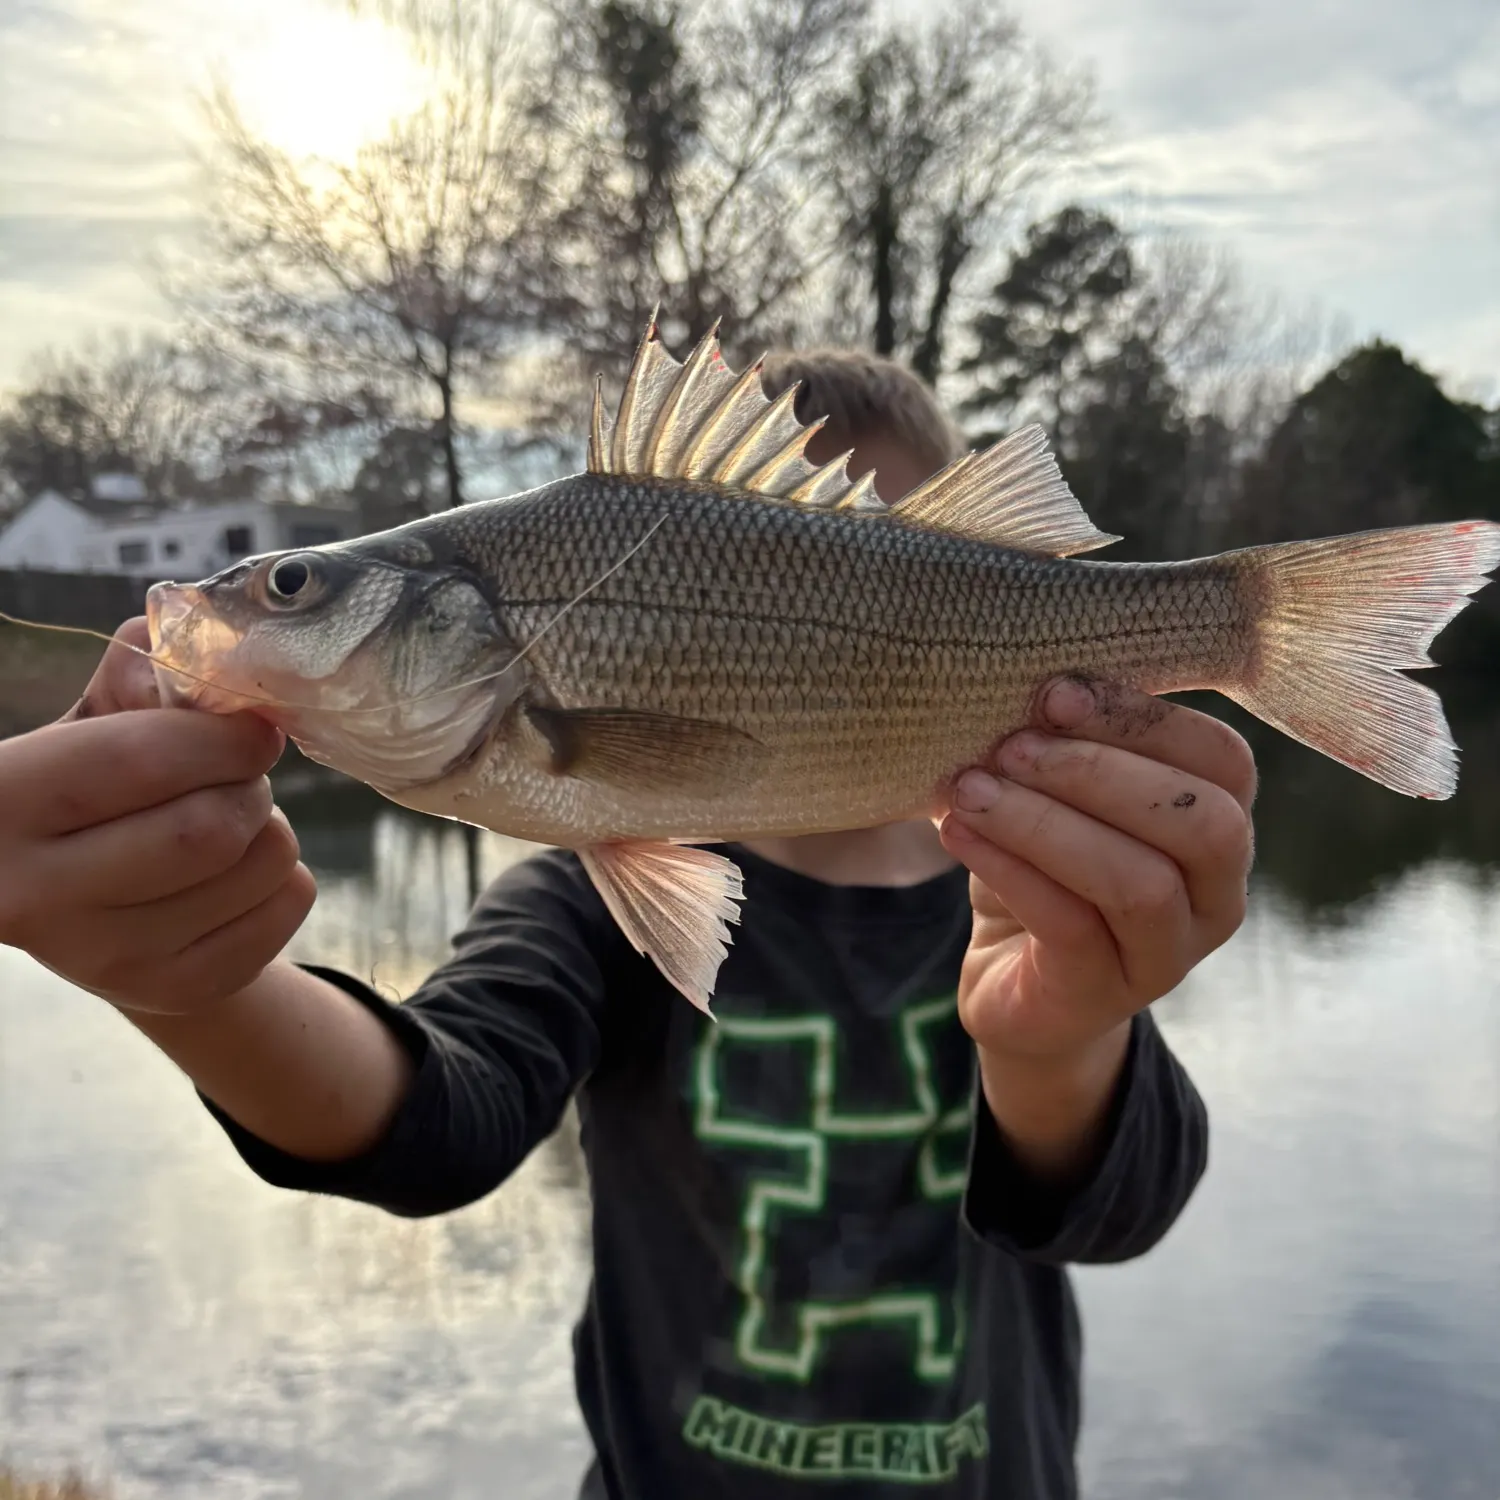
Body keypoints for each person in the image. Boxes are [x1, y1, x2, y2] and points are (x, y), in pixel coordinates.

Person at [0, 348, 1255, 1499]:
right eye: (290, 585)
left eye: (289, 588)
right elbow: (442, 1113)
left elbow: (1127, 1204)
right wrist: (194, 986)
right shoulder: (583, 901)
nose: (842, 591)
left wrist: (1059, 1039)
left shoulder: (1041, 907)